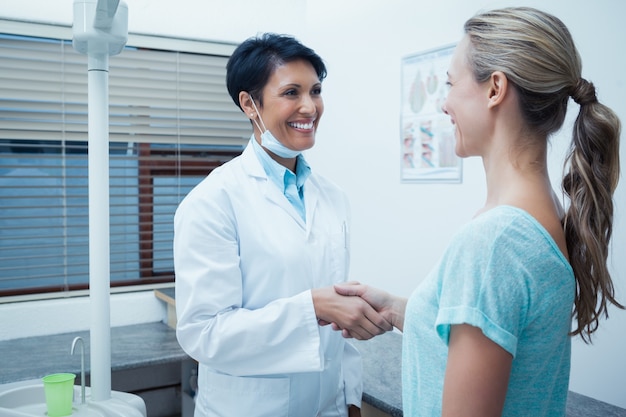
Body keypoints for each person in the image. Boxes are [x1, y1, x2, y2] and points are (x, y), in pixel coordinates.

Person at [333, 7, 622, 417]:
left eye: (450, 83)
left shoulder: (495, 242)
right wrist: (401, 309)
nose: (444, 102)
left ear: (495, 89)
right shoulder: (539, 216)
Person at [173, 33, 391, 417]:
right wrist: (312, 307)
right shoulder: (212, 202)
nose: (309, 107)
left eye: (316, 90)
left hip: (328, 407)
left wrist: (349, 398)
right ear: (249, 104)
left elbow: (335, 322)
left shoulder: (333, 198)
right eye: (291, 92)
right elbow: (204, 334)